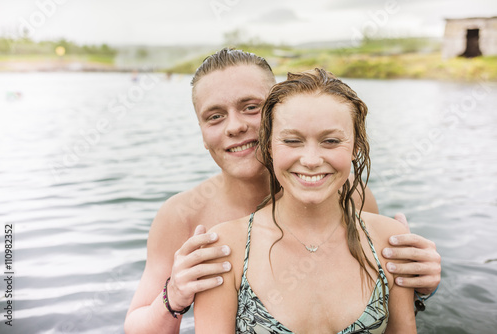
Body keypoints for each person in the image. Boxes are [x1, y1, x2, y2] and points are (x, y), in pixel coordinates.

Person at [124, 49, 440, 334]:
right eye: (215, 116)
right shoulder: (184, 216)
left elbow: (378, 294)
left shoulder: (352, 195)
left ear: (277, 116)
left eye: (250, 107)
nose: (234, 126)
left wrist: (420, 283)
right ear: (202, 134)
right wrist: (174, 295)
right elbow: (135, 325)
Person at [194, 68, 416, 333]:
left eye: (331, 141)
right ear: (269, 147)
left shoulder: (389, 242)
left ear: (356, 146)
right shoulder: (225, 249)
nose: (311, 160)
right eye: (292, 141)